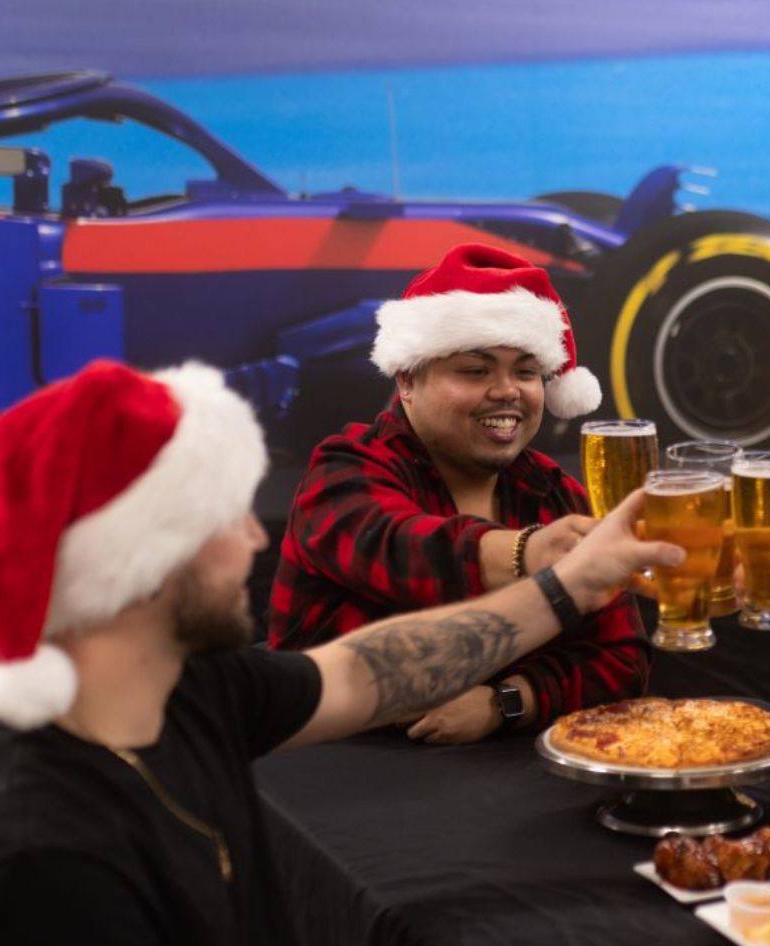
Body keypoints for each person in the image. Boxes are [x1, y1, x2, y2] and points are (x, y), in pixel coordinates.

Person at [0, 360, 681, 946]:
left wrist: (572, 583)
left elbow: (362, 671)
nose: (253, 538)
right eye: (224, 518)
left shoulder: (183, 692)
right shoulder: (34, 864)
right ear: (137, 562)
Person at [269, 243, 644, 744]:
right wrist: (530, 553)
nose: (507, 390)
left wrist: (506, 701)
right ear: (407, 380)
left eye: (526, 371)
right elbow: (404, 549)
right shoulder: (344, 470)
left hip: (508, 787)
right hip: (332, 772)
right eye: (475, 370)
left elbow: (623, 657)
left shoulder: (554, 492)